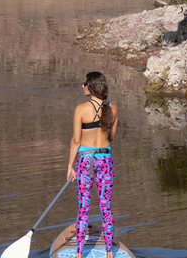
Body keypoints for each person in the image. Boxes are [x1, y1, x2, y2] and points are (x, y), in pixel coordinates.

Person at [67, 71, 119, 258]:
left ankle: (80, 253)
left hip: (85, 161)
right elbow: (112, 137)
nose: (82, 87)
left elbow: (76, 140)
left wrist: (70, 166)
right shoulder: (113, 108)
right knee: (106, 206)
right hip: (105, 159)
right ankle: (109, 252)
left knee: (84, 207)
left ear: (90, 87)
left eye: (84, 84)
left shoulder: (81, 109)